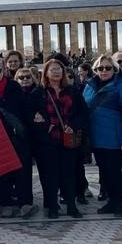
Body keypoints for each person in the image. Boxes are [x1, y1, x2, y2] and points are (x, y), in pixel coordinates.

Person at [83, 54, 122, 216]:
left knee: (116, 174)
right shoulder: (90, 86)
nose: (104, 71)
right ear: (95, 70)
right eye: (100, 68)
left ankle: (119, 204)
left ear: (114, 69)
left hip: (115, 139)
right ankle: (112, 202)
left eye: (108, 68)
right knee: (105, 173)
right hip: (96, 138)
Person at [0, 58, 35, 217]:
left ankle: (25, 202)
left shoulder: (14, 86)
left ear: (3, 70)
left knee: (22, 169)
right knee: (2, 170)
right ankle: (5, 203)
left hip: (17, 134)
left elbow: (24, 108)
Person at [38, 59, 87, 218]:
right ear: (46, 73)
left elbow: (83, 113)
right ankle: (53, 206)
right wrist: (46, 125)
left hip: (68, 139)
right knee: (51, 175)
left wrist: (73, 124)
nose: (57, 72)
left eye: (59, 69)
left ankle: (71, 206)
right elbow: (32, 115)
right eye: (53, 70)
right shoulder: (39, 92)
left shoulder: (73, 91)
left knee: (69, 174)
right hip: (48, 140)